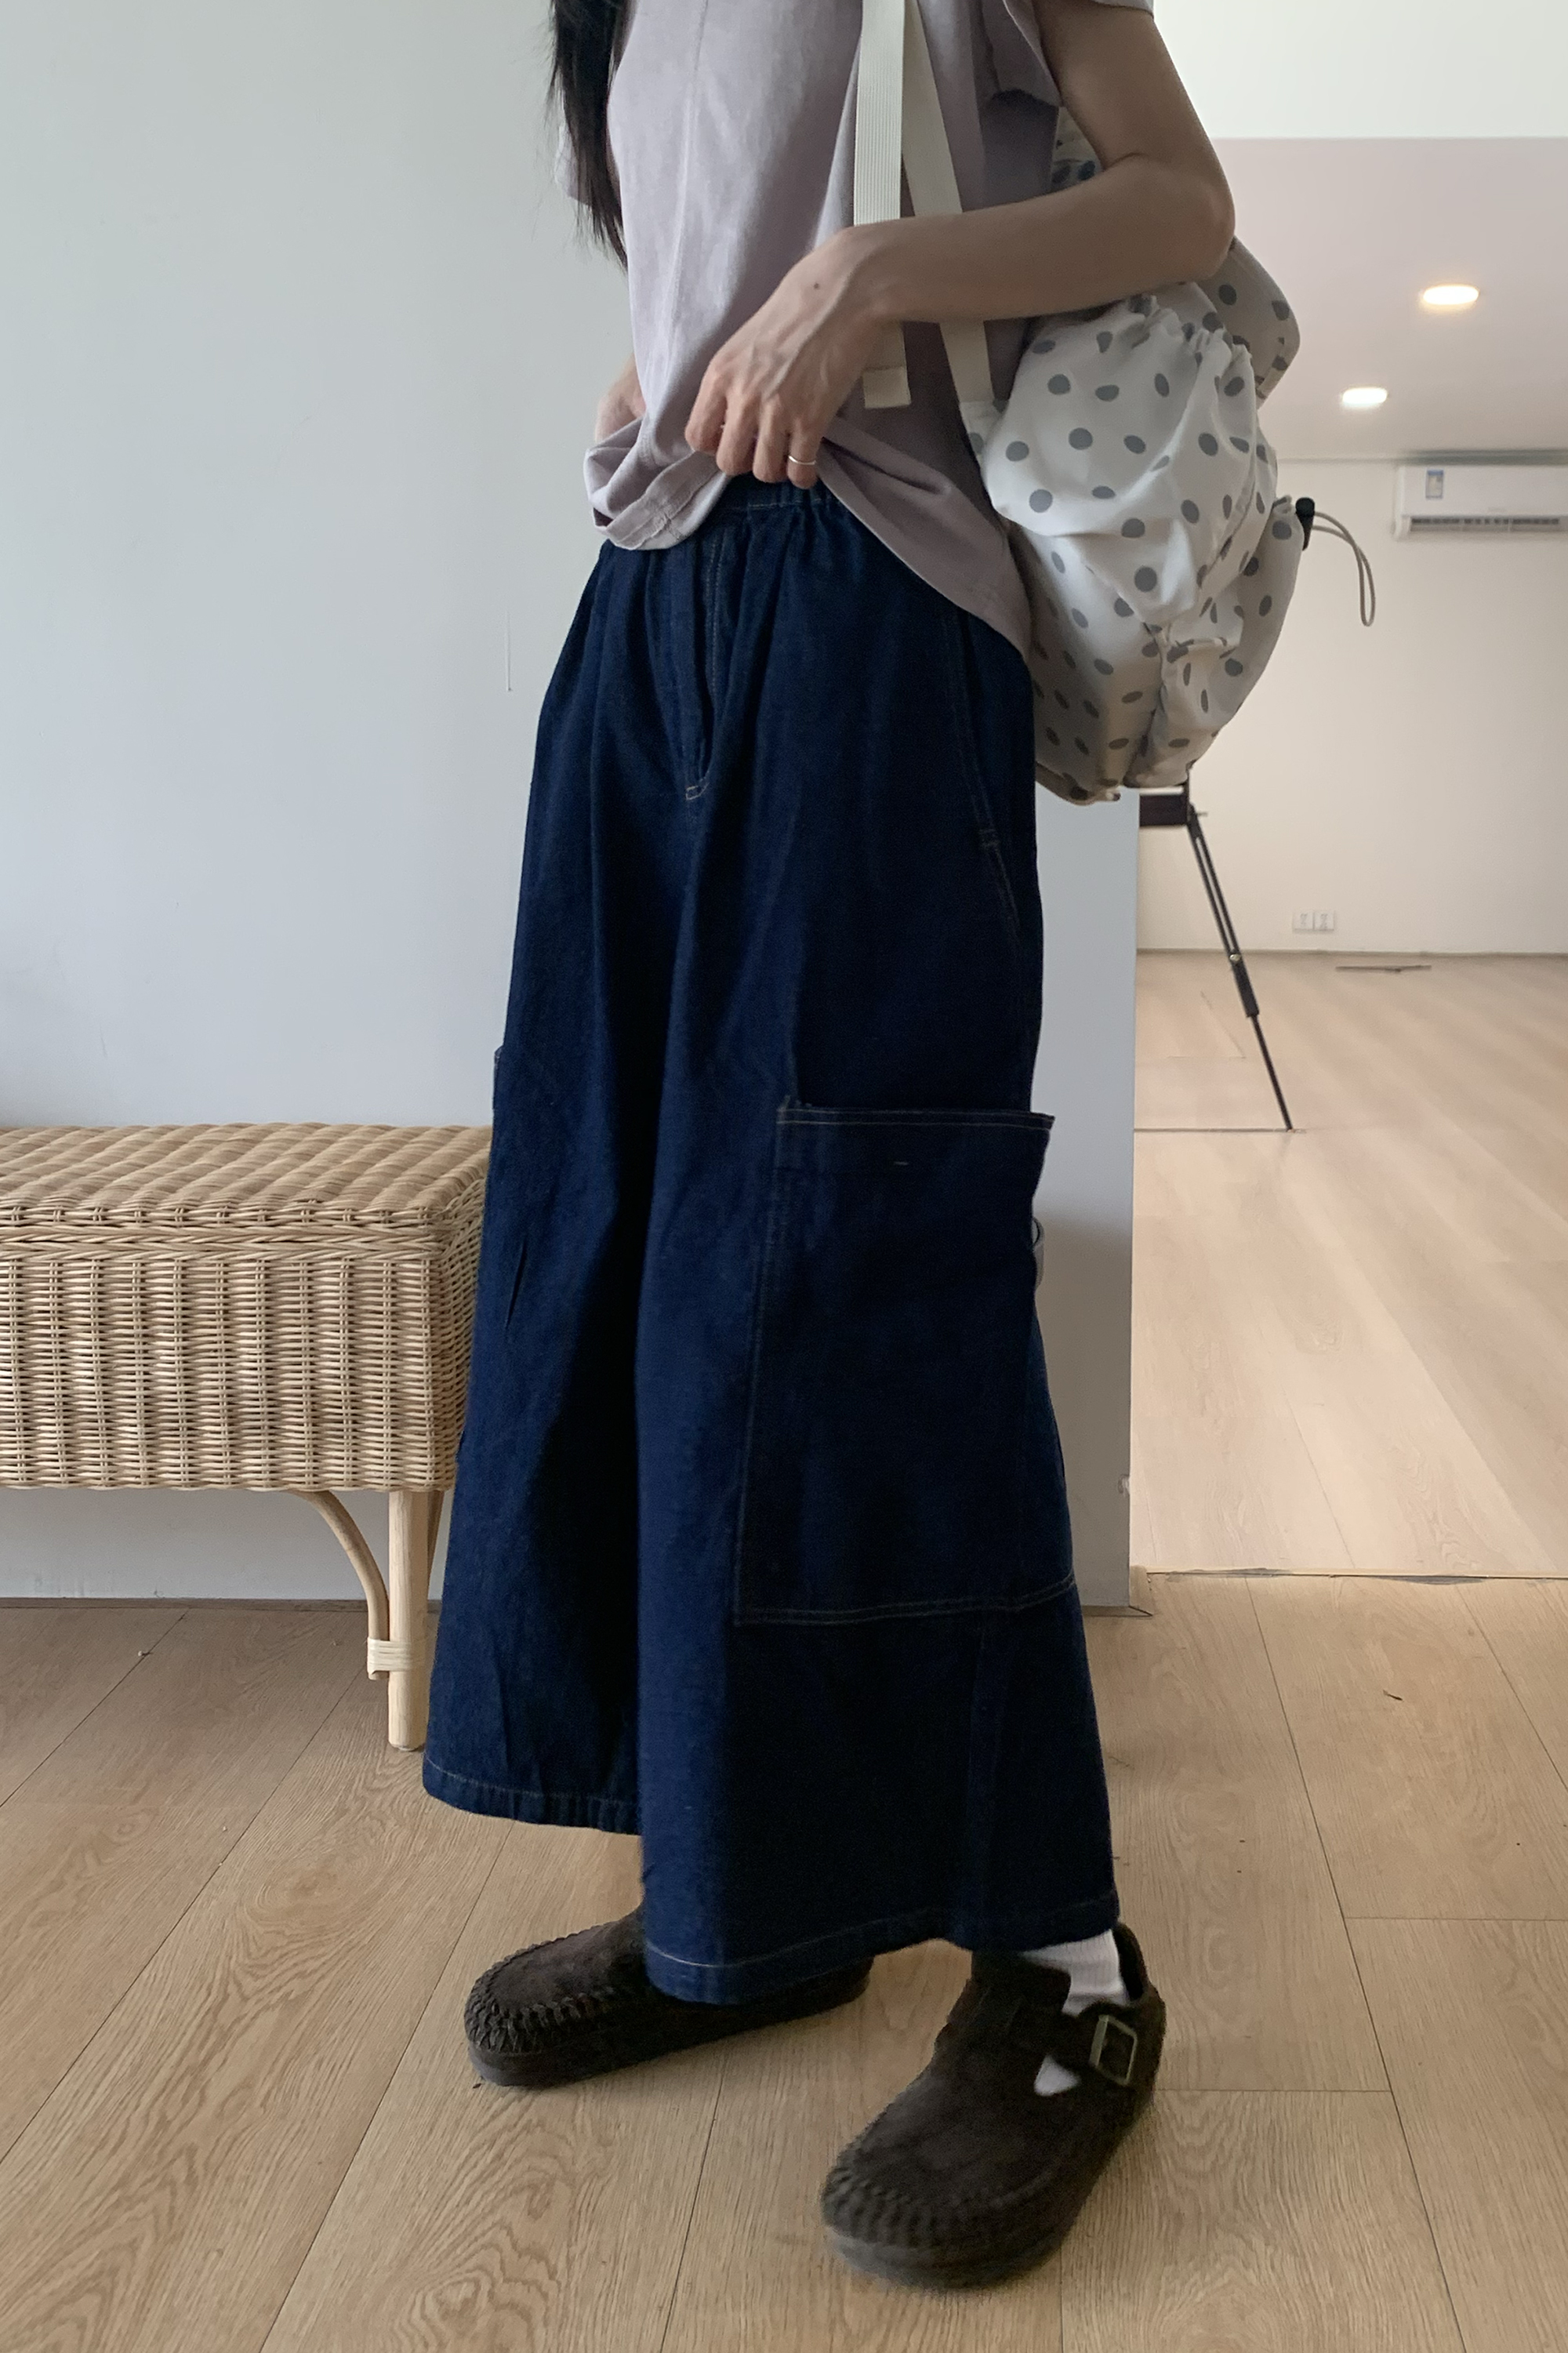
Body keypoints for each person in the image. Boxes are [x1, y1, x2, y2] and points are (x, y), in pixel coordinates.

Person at [424, 0, 1232, 2289]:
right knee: (624, 1254)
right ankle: (754, 1895)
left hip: (881, 617)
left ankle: (1065, 1971)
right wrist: (658, 377)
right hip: (650, 615)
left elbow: (1182, 200)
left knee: (862, 1282)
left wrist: (870, 273)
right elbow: (702, 242)